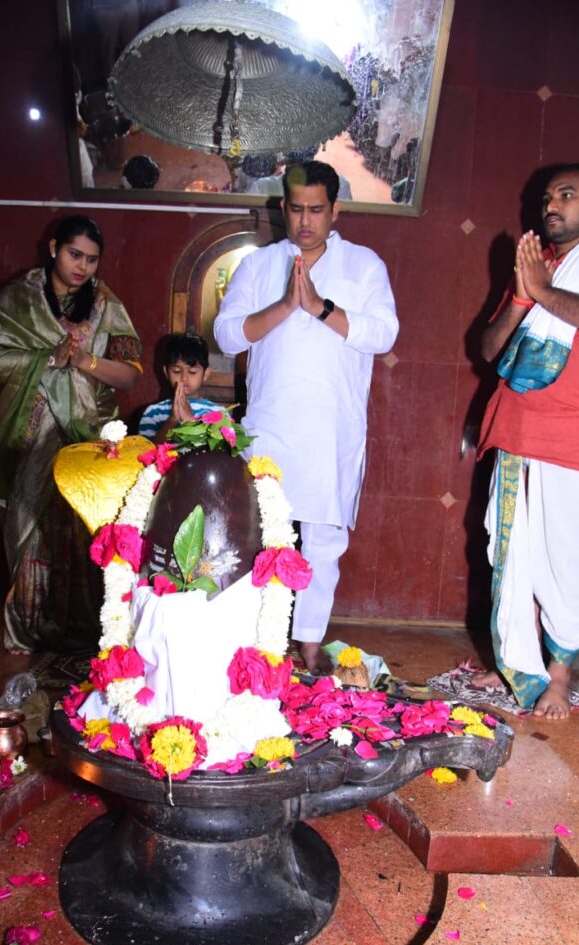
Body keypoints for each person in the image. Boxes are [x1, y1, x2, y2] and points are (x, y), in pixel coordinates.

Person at [214, 159, 398, 674]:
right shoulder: (259, 265)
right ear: (283, 208)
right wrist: (287, 305)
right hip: (269, 424)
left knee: (323, 542)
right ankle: (252, 639)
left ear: (335, 210)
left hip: (331, 427)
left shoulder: (364, 266)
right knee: (256, 533)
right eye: (296, 209)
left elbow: (384, 334)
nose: (305, 221)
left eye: (316, 210)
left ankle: (310, 642)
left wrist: (320, 307)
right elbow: (227, 336)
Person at [0, 215, 142, 654]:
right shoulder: (19, 299)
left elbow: (129, 374)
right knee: (29, 524)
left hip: (88, 437)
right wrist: (47, 360)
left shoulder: (106, 305)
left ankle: (90, 630)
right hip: (27, 432)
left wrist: (85, 362)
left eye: (91, 259)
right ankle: (30, 625)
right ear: (53, 248)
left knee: (84, 528)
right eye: (74, 255)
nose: (82, 267)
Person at [476, 163, 579, 719]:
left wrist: (546, 291)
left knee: (566, 557)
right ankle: (517, 661)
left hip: (576, 433)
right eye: (548, 197)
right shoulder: (538, 266)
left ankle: (559, 673)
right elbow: (488, 349)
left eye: (567, 195)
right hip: (517, 428)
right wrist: (524, 298)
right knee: (512, 553)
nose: (551, 205)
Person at [138, 333, 224, 443]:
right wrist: (172, 420)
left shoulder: (217, 413)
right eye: (176, 371)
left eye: (192, 372)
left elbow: (217, 451)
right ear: (166, 372)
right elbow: (149, 450)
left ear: (206, 374)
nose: (184, 378)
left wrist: (190, 420)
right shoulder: (153, 413)